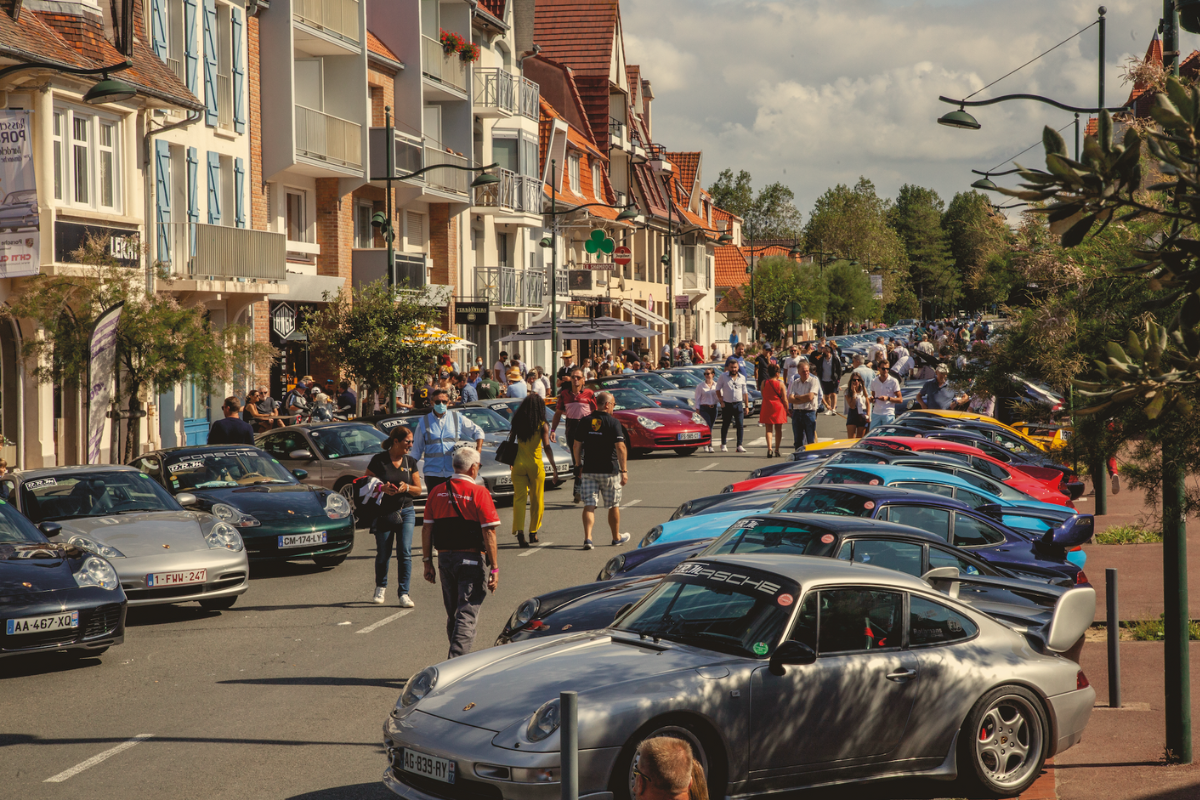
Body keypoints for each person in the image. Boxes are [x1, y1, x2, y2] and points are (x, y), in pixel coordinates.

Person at [420, 448, 499, 658]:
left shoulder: (436, 491)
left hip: (445, 560)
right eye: (479, 466)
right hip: (471, 559)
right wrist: (495, 568)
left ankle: (455, 659)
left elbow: (427, 528)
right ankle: (455, 662)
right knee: (466, 613)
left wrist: (427, 562)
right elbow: (489, 531)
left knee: (454, 614)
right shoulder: (479, 492)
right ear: (473, 468)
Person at [365, 427, 422, 607]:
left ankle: (404, 593)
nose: (411, 445)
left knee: (405, 552)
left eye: (412, 441)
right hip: (384, 512)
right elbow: (365, 484)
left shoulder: (410, 461)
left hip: (406, 510)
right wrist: (382, 488)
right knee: (384, 553)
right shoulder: (378, 460)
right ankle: (381, 587)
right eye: (408, 441)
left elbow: (418, 489)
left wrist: (407, 488)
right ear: (396, 442)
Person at [572, 391, 631, 549]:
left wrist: (578, 464)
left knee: (589, 504)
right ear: (607, 405)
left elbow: (576, 445)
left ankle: (588, 539)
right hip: (609, 471)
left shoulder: (585, 421)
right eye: (613, 404)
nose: (614, 407)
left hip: (589, 470)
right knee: (613, 504)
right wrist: (624, 470)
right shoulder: (613, 423)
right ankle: (616, 537)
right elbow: (620, 447)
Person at [509, 395, 562, 548]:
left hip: (518, 464)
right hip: (535, 465)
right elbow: (546, 447)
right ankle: (533, 532)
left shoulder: (517, 422)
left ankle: (520, 532)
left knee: (519, 499)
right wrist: (554, 468)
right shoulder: (542, 425)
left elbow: (511, 442)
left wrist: (510, 462)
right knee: (537, 499)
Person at [411, 389, 485, 494]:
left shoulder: (457, 418)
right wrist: (409, 468)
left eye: (444, 402)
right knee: (437, 506)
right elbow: (416, 451)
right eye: (437, 402)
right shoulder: (424, 421)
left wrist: (478, 451)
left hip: (454, 472)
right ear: (432, 403)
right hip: (433, 473)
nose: (441, 404)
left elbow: (478, 431)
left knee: (455, 504)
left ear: (448, 402)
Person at [552, 370, 598, 504]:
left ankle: (580, 490)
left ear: (583, 380)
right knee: (576, 460)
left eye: (578, 377)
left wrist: (597, 429)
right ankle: (579, 490)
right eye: (573, 377)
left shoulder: (589, 394)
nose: (576, 379)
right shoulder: (564, 395)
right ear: (570, 380)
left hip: (587, 428)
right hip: (571, 429)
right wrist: (553, 430)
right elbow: (558, 413)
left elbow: (596, 413)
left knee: (584, 460)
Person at [715, 357, 750, 452]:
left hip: (738, 404)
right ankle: (723, 444)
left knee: (740, 425)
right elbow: (717, 389)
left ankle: (739, 445)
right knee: (726, 424)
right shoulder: (723, 376)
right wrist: (721, 401)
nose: (733, 369)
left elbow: (745, 392)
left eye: (735, 367)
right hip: (727, 404)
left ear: (738, 367)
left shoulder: (742, 377)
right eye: (731, 367)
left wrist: (746, 406)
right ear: (728, 368)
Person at [787, 358, 822, 450]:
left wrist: (797, 397)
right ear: (798, 372)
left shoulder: (814, 381)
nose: (806, 373)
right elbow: (790, 399)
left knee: (810, 440)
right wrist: (803, 398)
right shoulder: (795, 383)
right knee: (798, 440)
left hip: (809, 413)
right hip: (797, 413)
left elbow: (810, 397)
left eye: (807, 371)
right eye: (803, 371)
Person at [758, 363, 788, 457]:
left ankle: (769, 448)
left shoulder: (764, 382)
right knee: (778, 429)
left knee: (768, 429)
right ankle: (777, 449)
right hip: (778, 407)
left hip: (767, 406)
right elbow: (784, 399)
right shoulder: (780, 384)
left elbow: (763, 394)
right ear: (777, 374)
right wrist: (787, 409)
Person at [869, 359, 903, 429]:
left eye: (887, 369)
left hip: (888, 413)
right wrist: (872, 399)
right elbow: (873, 397)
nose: (885, 371)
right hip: (876, 413)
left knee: (888, 435)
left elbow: (900, 400)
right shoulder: (874, 381)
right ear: (878, 369)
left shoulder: (893, 381)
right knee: (873, 435)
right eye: (883, 369)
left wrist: (888, 398)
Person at [693, 368, 719, 453]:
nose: (706, 375)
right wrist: (697, 410)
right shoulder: (700, 386)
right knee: (708, 427)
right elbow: (697, 398)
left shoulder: (716, 385)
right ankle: (709, 445)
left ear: (713, 374)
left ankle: (706, 443)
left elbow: (720, 396)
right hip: (704, 408)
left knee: (711, 426)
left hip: (714, 408)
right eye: (705, 374)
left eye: (708, 374)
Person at [812, 343, 842, 416]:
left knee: (834, 394)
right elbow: (818, 368)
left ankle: (834, 408)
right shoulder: (821, 359)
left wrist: (838, 379)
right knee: (826, 395)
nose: (823, 353)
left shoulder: (835, 359)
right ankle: (829, 409)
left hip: (833, 379)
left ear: (828, 351)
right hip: (824, 379)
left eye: (824, 352)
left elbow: (839, 369)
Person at [844, 372, 870, 438]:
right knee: (851, 439)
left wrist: (868, 414)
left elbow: (867, 402)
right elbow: (852, 406)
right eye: (854, 380)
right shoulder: (848, 391)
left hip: (862, 413)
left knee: (860, 438)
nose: (856, 381)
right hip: (853, 413)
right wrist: (854, 393)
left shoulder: (863, 390)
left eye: (858, 380)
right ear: (851, 381)